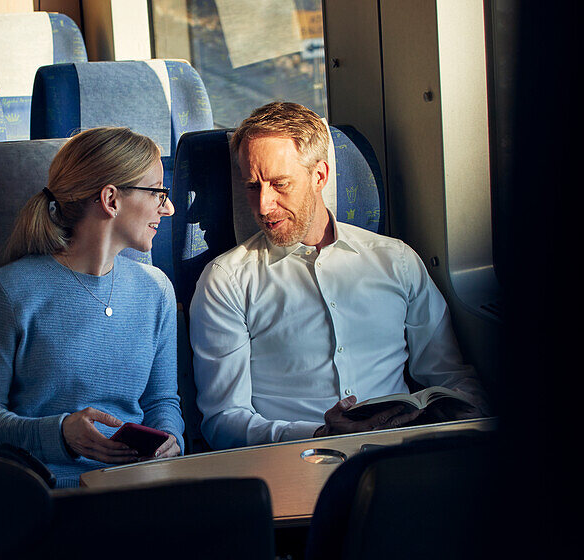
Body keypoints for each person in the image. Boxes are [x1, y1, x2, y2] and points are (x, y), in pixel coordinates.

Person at [189, 102, 489, 449]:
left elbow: (449, 375)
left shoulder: (396, 261)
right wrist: (318, 435)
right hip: (294, 460)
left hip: (400, 457)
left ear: (319, 176)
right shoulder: (226, 280)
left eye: (279, 184)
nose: (263, 206)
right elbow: (223, 421)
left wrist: (472, 413)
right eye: (252, 186)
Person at [0, 126, 184, 487]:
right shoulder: (10, 290)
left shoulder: (155, 290)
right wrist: (60, 434)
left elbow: (162, 401)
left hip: (139, 489)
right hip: (45, 492)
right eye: (159, 193)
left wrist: (170, 442)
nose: (169, 208)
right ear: (111, 200)